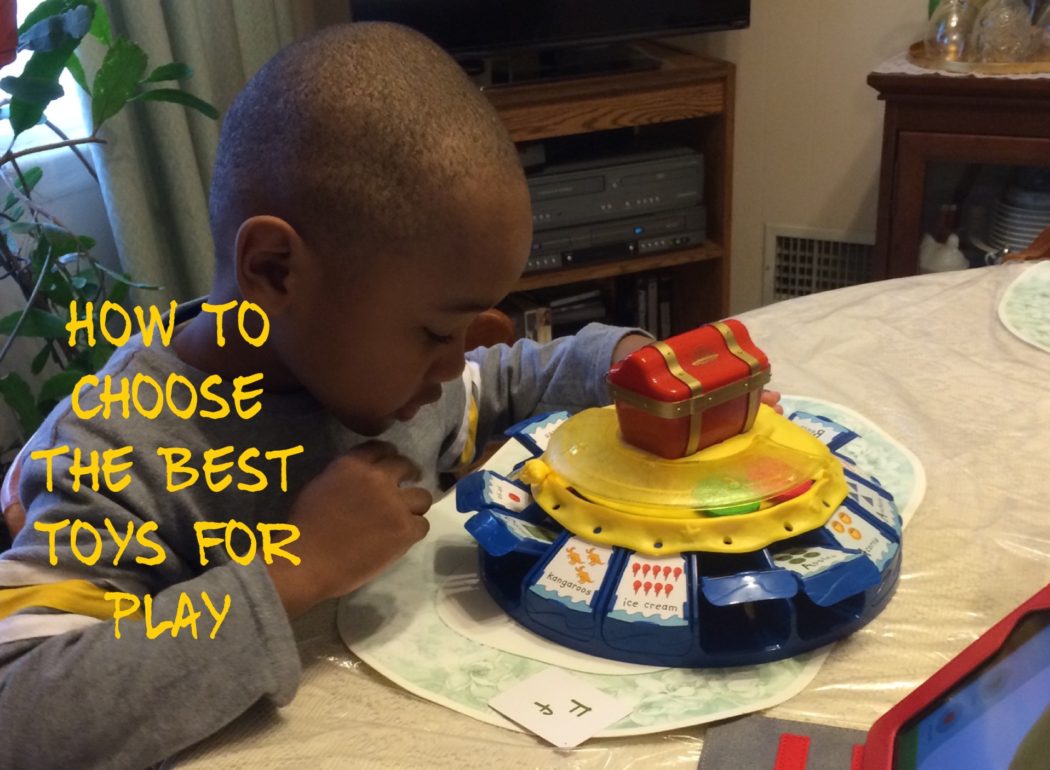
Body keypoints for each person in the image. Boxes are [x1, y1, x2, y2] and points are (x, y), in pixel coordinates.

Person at [0, 22, 779, 768]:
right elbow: (24, 719)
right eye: (436, 331)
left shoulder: (410, 386)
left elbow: (511, 377)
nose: (454, 364)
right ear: (274, 270)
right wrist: (295, 568)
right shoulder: (118, 456)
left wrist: (642, 370)